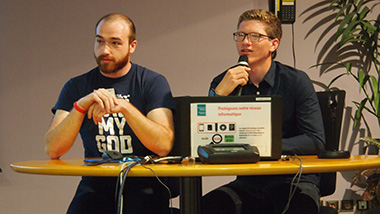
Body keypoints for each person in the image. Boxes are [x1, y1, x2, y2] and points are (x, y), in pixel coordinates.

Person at [44, 13, 176, 214]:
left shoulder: (152, 82)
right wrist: (81, 105)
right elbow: (53, 149)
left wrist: (124, 107)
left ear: (132, 46)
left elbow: (163, 145)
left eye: (115, 43)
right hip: (96, 184)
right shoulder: (76, 85)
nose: (105, 50)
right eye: (99, 41)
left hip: (144, 183)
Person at [203, 9, 325, 214]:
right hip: (249, 183)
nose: (245, 42)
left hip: (293, 178)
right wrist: (219, 95)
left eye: (255, 36)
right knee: (208, 206)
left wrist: (261, 146)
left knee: (298, 207)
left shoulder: (295, 81)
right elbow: (205, 138)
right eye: (240, 35)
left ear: (273, 44)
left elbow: (315, 140)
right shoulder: (224, 81)